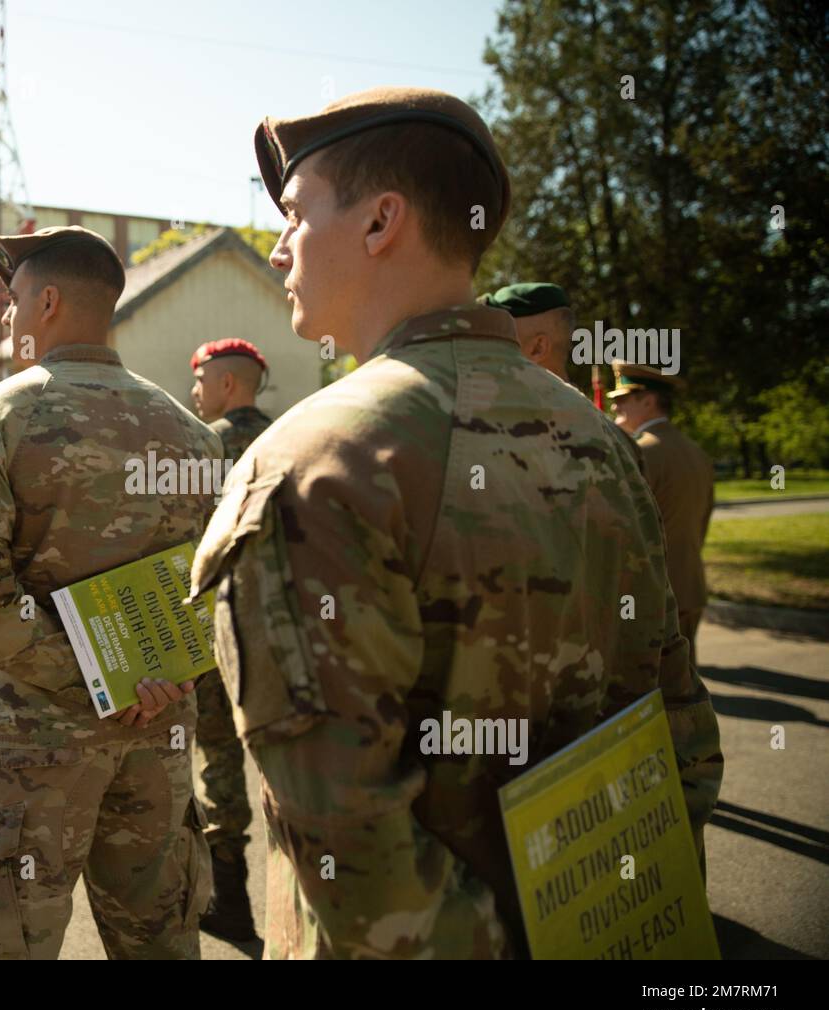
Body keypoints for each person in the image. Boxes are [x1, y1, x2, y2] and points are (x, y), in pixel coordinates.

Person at [151, 86, 721, 959]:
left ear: (382, 222)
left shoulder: (312, 463)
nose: (277, 250)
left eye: (296, 215)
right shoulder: (597, 436)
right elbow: (678, 733)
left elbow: (351, 854)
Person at [0, 226, 220, 960]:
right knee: (160, 942)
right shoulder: (192, 435)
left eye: (15, 299)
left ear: (48, 301)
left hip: (33, 745)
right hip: (157, 730)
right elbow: (220, 584)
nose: (8, 318)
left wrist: (92, 675)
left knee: (6, 946)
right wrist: (148, 678)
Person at [186, 337, 273, 941]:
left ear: (225, 385)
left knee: (218, 756)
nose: (194, 393)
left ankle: (230, 892)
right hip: (287, 627)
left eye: (200, 381)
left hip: (218, 628)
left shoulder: (202, 444)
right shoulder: (293, 433)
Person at [609, 362, 715, 667]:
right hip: (689, 584)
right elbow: (702, 520)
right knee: (683, 683)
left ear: (648, 401)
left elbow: (622, 528)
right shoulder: (696, 451)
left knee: (649, 692)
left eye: (623, 398)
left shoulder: (640, 451)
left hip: (651, 593)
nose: (615, 405)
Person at [483, 282, 646, 470]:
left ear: (537, 348)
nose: (490, 349)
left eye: (500, 338)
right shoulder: (620, 441)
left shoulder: (500, 437)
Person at [190, 337, 274, 463]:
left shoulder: (207, 442)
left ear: (227, 383)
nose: (194, 391)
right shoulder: (282, 434)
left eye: (201, 380)